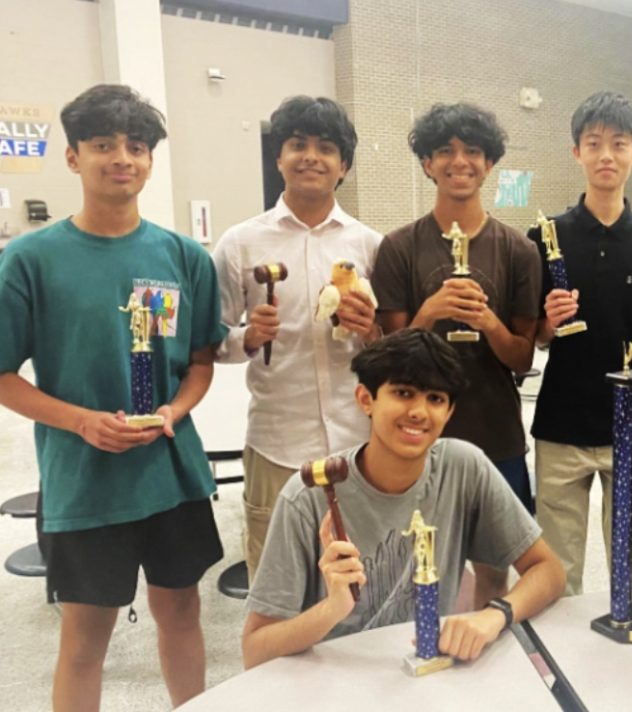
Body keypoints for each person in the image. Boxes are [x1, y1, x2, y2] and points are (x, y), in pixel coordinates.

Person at [0, 84, 227, 709]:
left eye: (136, 145)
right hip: (85, 483)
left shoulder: (183, 256)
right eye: (103, 145)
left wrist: (175, 412)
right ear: (74, 157)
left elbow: (201, 360)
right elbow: (3, 376)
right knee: (84, 636)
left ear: (151, 160)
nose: (121, 157)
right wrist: (81, 422)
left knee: (181, 609)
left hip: (172, 475)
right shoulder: (29, 262)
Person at [242, 329, 565, 668]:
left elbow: (549, 571)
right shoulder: (307, 497)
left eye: (435, 399)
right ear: (366, 399)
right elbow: (255, 650)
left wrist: (494, 616)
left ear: (450, 412)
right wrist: (332, 608)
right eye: (403, 393)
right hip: (332, 684)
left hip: (427, 675)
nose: (418, 412)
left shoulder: (462, 466)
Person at [372, 103, 541, 604]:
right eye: (445, 151)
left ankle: (486, 651)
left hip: (496, 433)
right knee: (418, 565)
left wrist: (488, 322)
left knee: (494, 570)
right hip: (415, 436)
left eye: (472, 151)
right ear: (427, 163)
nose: (459, 161)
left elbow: (523, 359)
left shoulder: (518, 251)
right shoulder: (399, 247)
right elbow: (389, 355)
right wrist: (430, 312)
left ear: (489, 163)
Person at [213, 96, 381, 581]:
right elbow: (208, 340)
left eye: (326, 148)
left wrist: (370, 329)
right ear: (278, 157)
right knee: (276, 584)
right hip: (275, 443)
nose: (311, 156)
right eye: (298, 144)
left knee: (359, 582)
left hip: (357, 442)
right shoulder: (241, 243)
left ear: (343, 165)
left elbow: (390, 349)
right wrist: (246, 338)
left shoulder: (369, 245)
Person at [529, 91, 632, 596]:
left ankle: (630, 667)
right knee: (557, 575)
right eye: (594, 143)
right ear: (577, 153)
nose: (606, 154)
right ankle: (560, 671)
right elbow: (536, 337)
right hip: (561, 425)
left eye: (618, 143)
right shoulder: (545, 237)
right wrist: (547, 321)